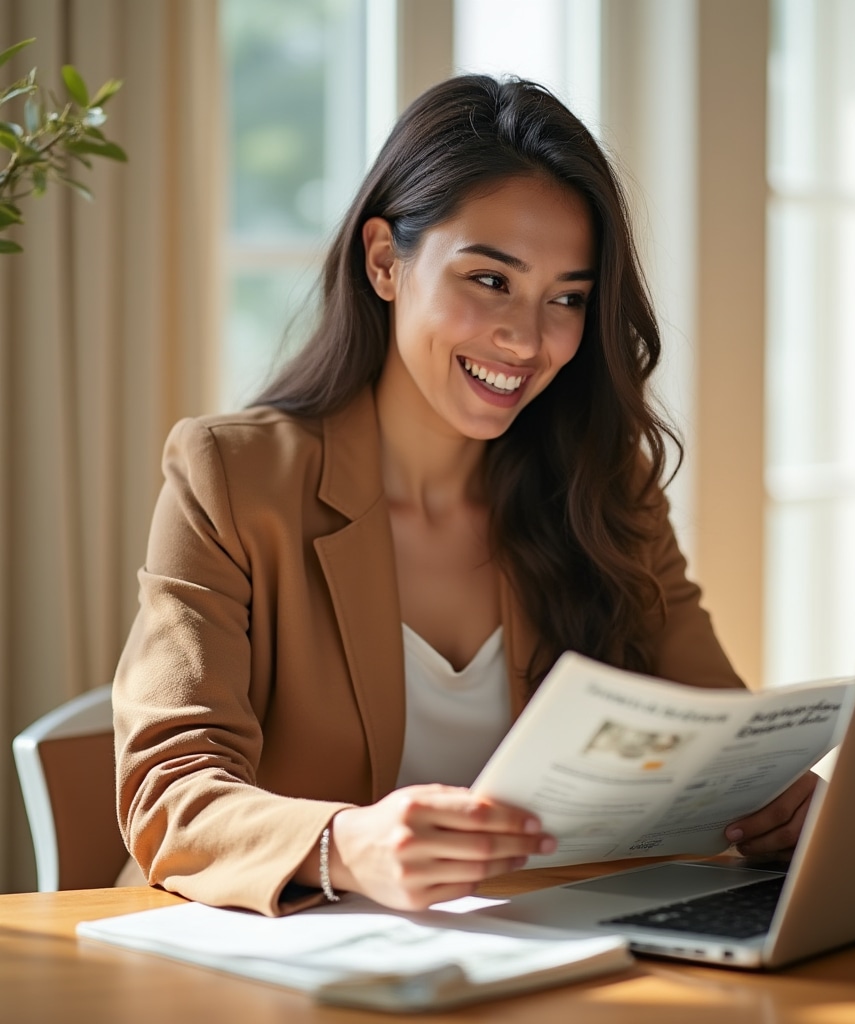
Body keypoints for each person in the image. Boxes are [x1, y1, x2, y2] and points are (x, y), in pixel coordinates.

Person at [113, 75, 817, 918]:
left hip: (540, 957)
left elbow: (718, 735)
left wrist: (778, 801)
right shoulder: (231, 478)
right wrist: (347, 846)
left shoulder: (602, 479)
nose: (528, 338)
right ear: (385, 261)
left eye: (567, 298)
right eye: (490, 279)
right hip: (277, 961)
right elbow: (167, 792)